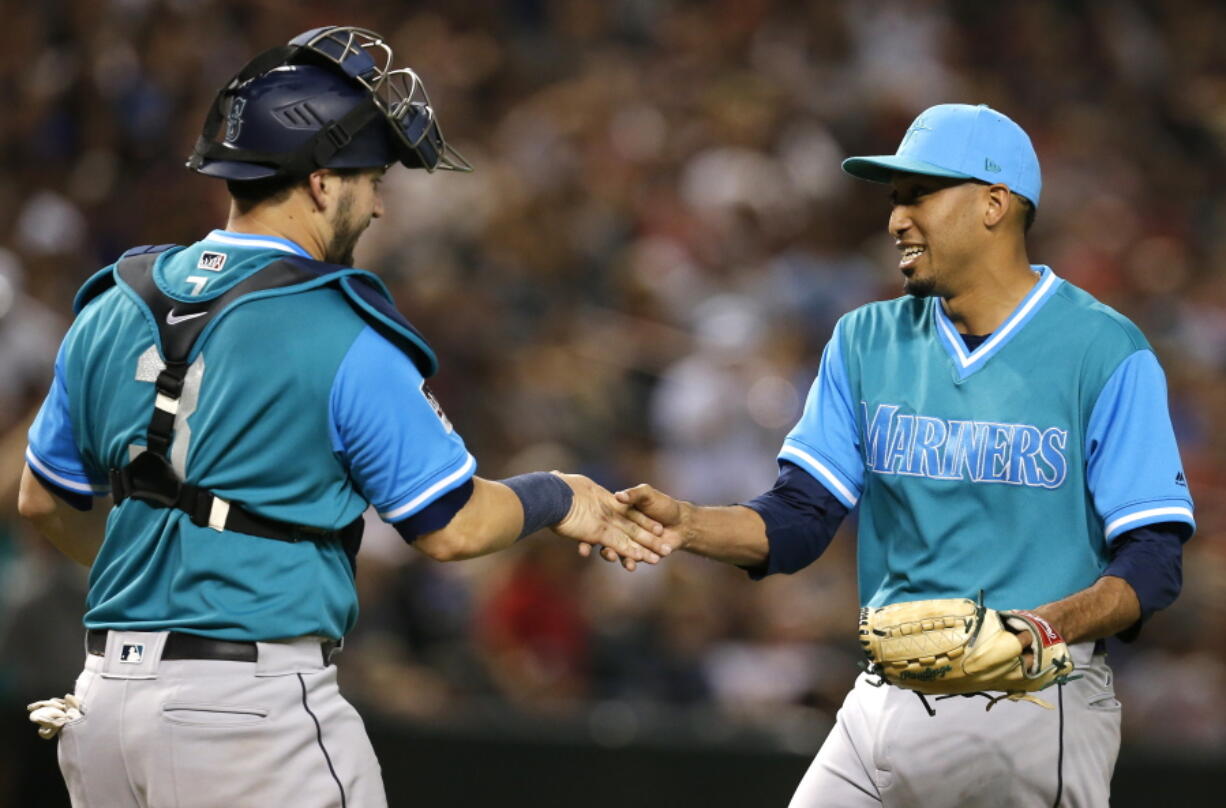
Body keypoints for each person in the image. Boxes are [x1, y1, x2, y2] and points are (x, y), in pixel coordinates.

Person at [17, 26, 661, 808]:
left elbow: (44, 501)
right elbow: (451, 526)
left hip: (101, 708)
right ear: (321, 183)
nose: (380, 203)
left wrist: (162, 588)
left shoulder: (113, 300)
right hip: (248, 715)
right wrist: (559, 495)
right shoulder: (343, 326)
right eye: (370, 177)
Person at [615, 103, 1194, 807]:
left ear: (993, 204)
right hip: (881, 700)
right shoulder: (865, 340)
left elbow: (1153, 559)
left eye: (920, 194)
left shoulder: (1103, 350)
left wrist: (1043, 627)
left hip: (1034, 702)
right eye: (894, 199)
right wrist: (688, 523)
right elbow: (802, 516)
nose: (896, 219)